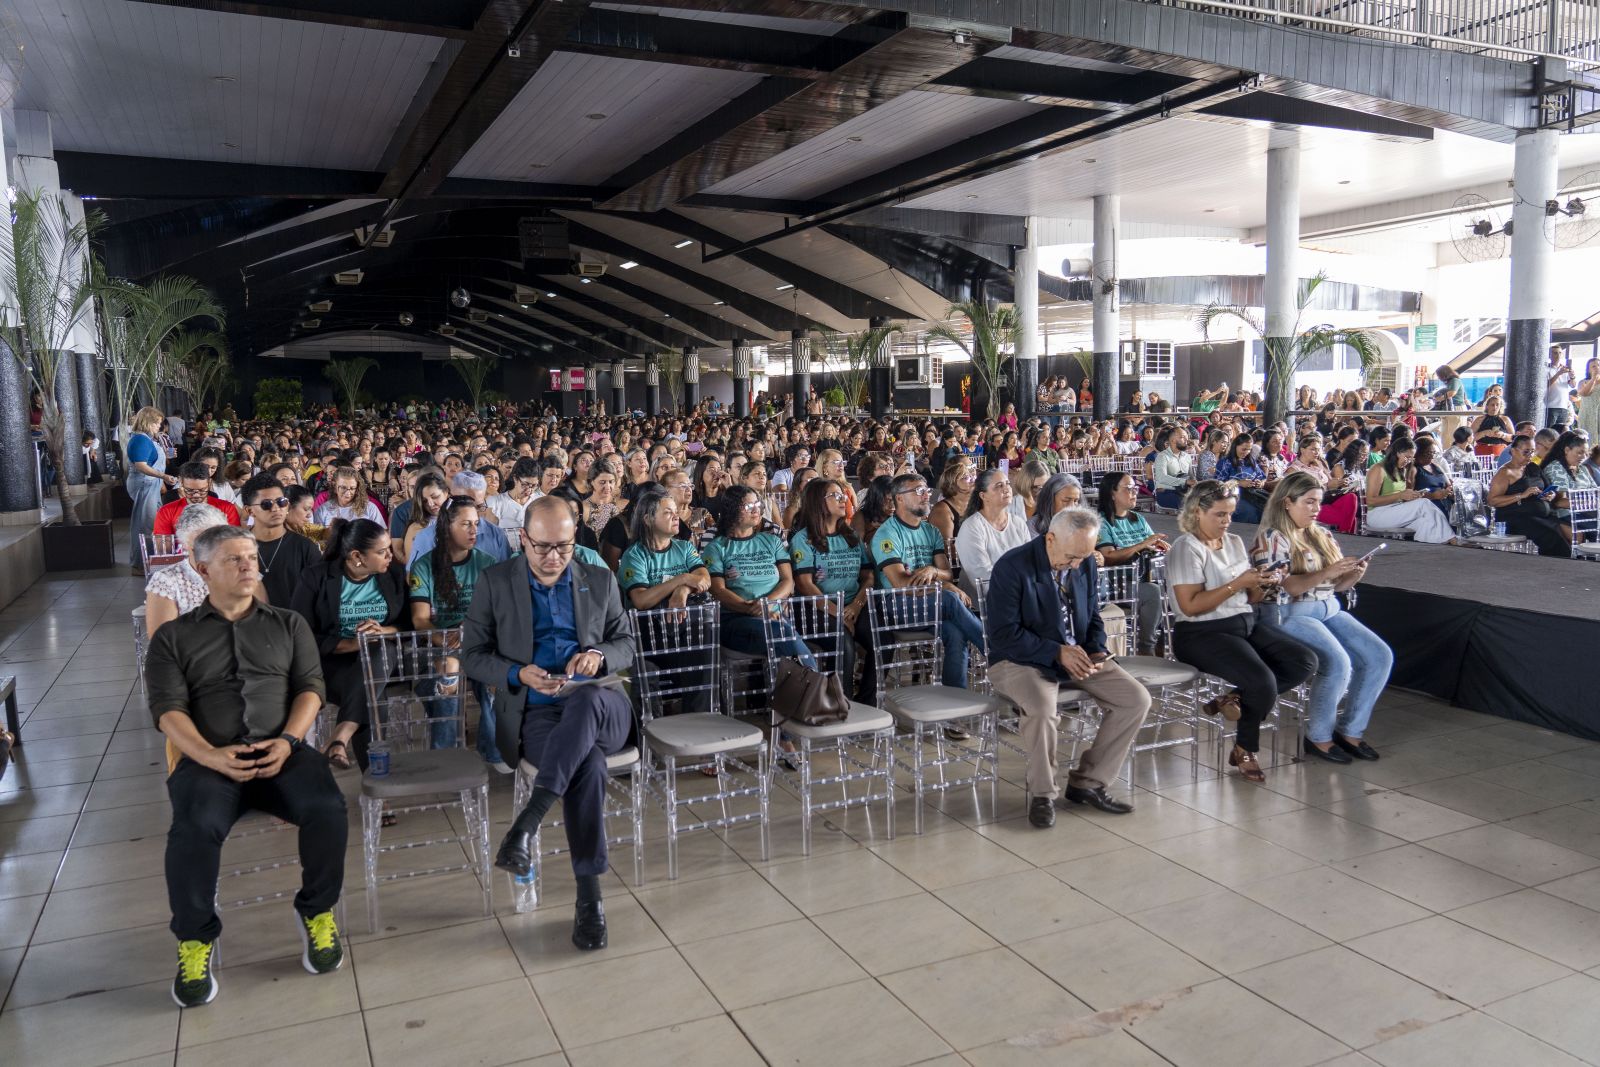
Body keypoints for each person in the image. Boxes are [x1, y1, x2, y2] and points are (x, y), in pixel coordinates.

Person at [145, 525, 346, 1008]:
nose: (248, 566)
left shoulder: (287, 624)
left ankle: (317, 910)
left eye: (252, 557)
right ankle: (194, 939)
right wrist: (208, 755)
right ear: (202, 569)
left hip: (282, 750)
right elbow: (167, 710)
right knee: (193, 828)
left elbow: (311, 688)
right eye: (234, 559)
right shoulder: (174, 637)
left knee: (327, 808)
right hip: (210, 759)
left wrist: (289, 740)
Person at [463, 497, 638, 952]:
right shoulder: (495, 582)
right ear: (522, 539)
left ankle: (528, 820)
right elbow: (473, 657)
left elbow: (625, 644)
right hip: (535, 709)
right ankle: (590, 899)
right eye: (541, 547)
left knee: (586, 702)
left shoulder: (598, 579)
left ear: (574, 540)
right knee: (589, 767)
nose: (553, 557)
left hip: (603, 705)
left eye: (563, 546)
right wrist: (517, 673)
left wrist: (598, 656)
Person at [987, 508, 1152, 827]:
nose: (1077, 564)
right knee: (1042, 709)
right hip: (1019, 658)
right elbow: (1004, 635)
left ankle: (1087, 783)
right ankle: (1043, 794)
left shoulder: (1085, 560)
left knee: (1135, 700)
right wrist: (1056, 652)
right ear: (1050, 539)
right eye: (1071, 557)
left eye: (1083, 557)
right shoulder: (1013, 566)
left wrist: (1098, 649)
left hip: (1074, 652)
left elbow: (1092, 615)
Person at [1166, 481, 1316, 784]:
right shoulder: (1186, 548)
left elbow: (1250, 599)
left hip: (1243, 621)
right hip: (1200, 633)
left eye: (1230, 514)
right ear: (1198, 512)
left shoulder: (1233, 541)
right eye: (1220, 515)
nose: (1226, 521)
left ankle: (1233, 697)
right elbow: (1190, 605)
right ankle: (1245, 748)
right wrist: (1238, 584)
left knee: (1304, 661)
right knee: (1262, 681)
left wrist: (1262, 583)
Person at [1251, 473, 1389, 764]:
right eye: (1309, 502)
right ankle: (1319, 736)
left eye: (1319, 502)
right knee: (1338, 662)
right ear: (1287, 502)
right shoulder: (1273, 537)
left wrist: (1353, 574)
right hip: (1288, 612)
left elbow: (1336, 587)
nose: (1316, 508)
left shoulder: (1321, 534)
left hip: (1328, 606)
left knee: (1379, 655)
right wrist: (1328, 572)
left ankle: (1351, 730)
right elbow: (1291, 588)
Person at [290, 518, 410, 770]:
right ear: (357, 556)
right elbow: (302, 634)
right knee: (374, 697)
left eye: (389, 548)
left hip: (386, 661)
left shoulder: (394, 575)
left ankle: (341, 737)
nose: (391, 555)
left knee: (381, 648)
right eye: (382, 552)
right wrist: (352, 644)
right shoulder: (316, 577)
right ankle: (376, 778)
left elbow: (409, 623)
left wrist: (382, 630)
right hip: (333, 665)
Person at [869, 473, 985, 693]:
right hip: (896, 605)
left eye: (927, 491)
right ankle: (997, 653)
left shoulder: (930, 531)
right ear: (899, 498)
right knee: (950, 599)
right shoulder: (887, 534)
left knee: (955, 632)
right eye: (919, 491)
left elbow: (947, 573)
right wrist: (942, 586)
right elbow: (901, 584)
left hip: (930, 603)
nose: (926, 497)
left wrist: (933, 571)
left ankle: (955, 702)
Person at [408, 497, 499, 753]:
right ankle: (446, 753)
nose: (474, 531)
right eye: (466, 524)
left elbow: (494, 615)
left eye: (476, 524)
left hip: (479, 642)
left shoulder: (486, 564)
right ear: (448, 526)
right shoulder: (425, 566)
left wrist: (472, 633)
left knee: (494, 672)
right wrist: (445, 639)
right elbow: (420, 619)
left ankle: (492, 750)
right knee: (448, 668)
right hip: (441, 644)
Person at [703, 486, 818, 667]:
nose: (756, 509)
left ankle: (811, 689)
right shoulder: (717, 547)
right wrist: (750, 609)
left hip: (774, 614)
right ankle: (819, 687)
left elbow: (788, 581)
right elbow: (718, 590)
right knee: (783, 633)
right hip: (736, 620)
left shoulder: (771, 541)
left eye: (757, 504)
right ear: (732, 510)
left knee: (782, 635)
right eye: (748, 506)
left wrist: (766, 605)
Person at [789, 478, 876, 703]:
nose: (843, 499)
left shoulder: (851, 537)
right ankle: (841, 703)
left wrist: (855, 606)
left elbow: (868, 577)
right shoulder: (803, 539)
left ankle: (868, 700)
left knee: (880, 635)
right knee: (843, 643)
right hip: (815, 609)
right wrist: (837, 612)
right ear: (818, 502)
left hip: (852, 605)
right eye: (835, 495)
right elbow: (805, 585)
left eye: (843, 495)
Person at [1093, 471, 1168, 656]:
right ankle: (1146, 647)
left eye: (1135, 488)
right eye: (1128, 489)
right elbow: (1108, 557)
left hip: (1145, 574)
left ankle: (1165, 641)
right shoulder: (1102, 521)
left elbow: (1151, 543)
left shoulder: (1137, 518)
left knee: (1176, 587)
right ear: (1112, 493)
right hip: (1116, 581)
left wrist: (1159, 547)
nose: (1135, 492)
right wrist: (1142, 544)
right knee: (1152, 592)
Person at [618, 487, 710, 610]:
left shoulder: (685, 547)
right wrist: (682, 578)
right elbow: (641, 600)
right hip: (651, 625)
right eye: (668, 512)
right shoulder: (634, 555)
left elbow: (704, 580)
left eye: (676, 512)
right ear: (648, 520)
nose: (676, 517)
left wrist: (682, 590)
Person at [145, 504, 230, 633]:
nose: (211, 547)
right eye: (200, 542)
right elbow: (161, 641)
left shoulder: (241, 569)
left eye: (217, 539)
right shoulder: (167, 580)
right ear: (184, 544)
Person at [240, 474, 322, 608]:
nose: (276, 508)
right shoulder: (237, 548)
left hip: (295, 626)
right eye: (266, 504)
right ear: (249, 510)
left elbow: (320, 596)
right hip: (250, 626)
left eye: (281, 501)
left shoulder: (305, 547)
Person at [1488, 435, 1570, 556]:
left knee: (1569, 532)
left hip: (1541, 515)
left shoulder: (1533, 468)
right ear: (1513, 451)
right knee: (1552, 537)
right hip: (1517, 517)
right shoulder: (1505, 473)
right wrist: (1521, 495)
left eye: (1532, 452)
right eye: (1526, 452)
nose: (1530, 456)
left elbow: (1549, 489)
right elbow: (1492, 500)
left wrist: (1550, 495)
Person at [406, 471, 512, 565]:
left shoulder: (496, 535)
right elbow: (415, 579)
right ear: (450, 498)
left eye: (479, 506)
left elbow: (506, 576)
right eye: (466, 505)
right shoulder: (427, 537)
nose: (473, 513)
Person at [1364, 441, 1455, 543]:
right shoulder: (1378, 469)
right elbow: (1371, 501)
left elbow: (1401, 497)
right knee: (1424, 503)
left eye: (1412, 458)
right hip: (1378, 514)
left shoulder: (1402, 469)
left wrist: (1413, 495)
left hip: (1396, 511)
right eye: (1407, 457)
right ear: (1397, 453)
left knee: (1427, 522)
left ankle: (1425, 551)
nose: (1409, 461)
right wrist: (1400, 495)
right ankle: (1453, 540)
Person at [954, 468, 1032, 586]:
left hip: (1021, 591)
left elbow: (1029, 563)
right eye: (999, 486)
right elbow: (982, 577)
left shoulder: (1018, 523)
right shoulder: (972, 527)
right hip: (987, 599)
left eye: (1007, 484)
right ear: (983, 496)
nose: (1006, 489)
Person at [126, 406, 178, 572]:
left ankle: (150, 561)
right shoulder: (140, 440)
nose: (159, 426)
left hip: (150, 484)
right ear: (147, 422)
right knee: (145, 524)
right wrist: (162, 477)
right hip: (144, 484)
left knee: (152, 522)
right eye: (156, 423)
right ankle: (142, 564)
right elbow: (141, 466)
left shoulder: (145, 439)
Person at [153, 461, 243, 535]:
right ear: (180, 483)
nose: (196, 495)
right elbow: (164, 548)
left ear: (209, 483)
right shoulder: (166, 511)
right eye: (190, 490)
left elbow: (234, 540)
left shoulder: (226, 508)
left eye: (202, 490)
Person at [1215, 432, 1270, 523]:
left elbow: (1262, 477)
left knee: (1269, 506)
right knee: (1250, 512)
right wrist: (1239, 483)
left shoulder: (1251, 461)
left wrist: (1260, 483)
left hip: (1253, 493)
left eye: (1249, 449)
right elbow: (1219, 485)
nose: (1246, 452)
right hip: (1232, 495)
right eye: (1243, 449)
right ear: (1236, 446)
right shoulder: (1225, 462)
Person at [929, 457, 975, 548]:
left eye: (972, 476)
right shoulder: (942, 510)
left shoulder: (977, 503)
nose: (972, 479)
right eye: (965, 478)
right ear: (952, 484)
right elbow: (948, 549)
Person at [313, 466, 383, 524]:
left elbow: (381, 534)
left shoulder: (370, 508)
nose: (348, 493)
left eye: (352, 488)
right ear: (334, 486)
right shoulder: (323, 509)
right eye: (343, 488)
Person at [486, 457, 540, 531]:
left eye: (534, 486)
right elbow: (490, 533)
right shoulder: (496, 502)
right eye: (524, 484)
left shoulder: (539, 502)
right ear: (515, 478)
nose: (529, 490)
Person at [1153, 426, 1193, 509]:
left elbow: (1191, 477)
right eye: (1182, 437)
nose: (1186, 440)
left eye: (1187, 437)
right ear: (1172, 440)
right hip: (1167, 492)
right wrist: (1184, 482)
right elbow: (1162, 478)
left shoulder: (1187, 457)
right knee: (1188, 505)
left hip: (1184, 492)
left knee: (1206, 502)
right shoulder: (1162, 456)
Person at [1546, 347, 1574, 432]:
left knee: (1561, 433)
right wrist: (1559, 373)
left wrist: (1572, 376)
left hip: (1563, 406)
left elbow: (1573, 385)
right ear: (1549, 355)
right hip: (1550, 406)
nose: (1558, 355)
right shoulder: (1546, 368)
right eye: (1555, 353)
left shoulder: (1565, 369)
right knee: (1550, 432)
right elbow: (1545, 385)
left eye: (1560, 353)